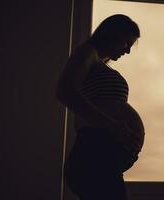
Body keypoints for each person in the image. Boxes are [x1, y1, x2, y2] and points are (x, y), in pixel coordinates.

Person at [56, 14, 145, 200]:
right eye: (126, 43)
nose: (128, 51)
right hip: (94, 153)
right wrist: (112, 125)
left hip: (102, 155)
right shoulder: (87, 52)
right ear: (113, 34)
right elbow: (65, 91)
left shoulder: (99, 63)